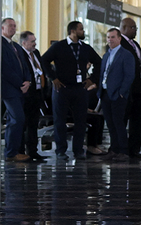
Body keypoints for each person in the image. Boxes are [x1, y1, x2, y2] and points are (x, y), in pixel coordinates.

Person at [43, 21, 102, 159]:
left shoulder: (85, 48)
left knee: (81, 120)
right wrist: (53, 78)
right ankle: (61, 151)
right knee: (60, 120)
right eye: (81, 29)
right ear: (73, 31)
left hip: (80, 88)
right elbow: (44, 60)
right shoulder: (59, 46)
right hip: (62, 88)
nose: (84, 31)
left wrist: (92, 79)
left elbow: (99, 62)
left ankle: (78, 150)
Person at [99, 28, 135, 162]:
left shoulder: (126, 55)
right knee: (110, 124)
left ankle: (123, 151)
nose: (110, 40)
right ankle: (113, 149)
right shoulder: (106, 55)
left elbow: (129, 75)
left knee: (119, 123)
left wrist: (122, 93)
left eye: (113, 37)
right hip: (105, 94)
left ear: (119, 38)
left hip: (117, 95)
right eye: (108, 37)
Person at [0, 18, 31, 162]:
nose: (13, 28)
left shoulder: (17, 46)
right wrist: (20, 84)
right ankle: (11, 153)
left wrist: (28, 81)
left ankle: (12, 152)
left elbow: (25, 65)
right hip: (9, 89)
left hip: (20, 89)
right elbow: (5, 69)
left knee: (16, 119)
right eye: (10, 26)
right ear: (2, 28)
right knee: (17, 119)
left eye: (14, 26)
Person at [120, 17, 141, 159]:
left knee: (138, 122)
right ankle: (122, 149)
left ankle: (134, 150)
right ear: (124, 28)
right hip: (128, 90)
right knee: (123, 120)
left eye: (136, 28)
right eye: (133, 28)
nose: (135, 30)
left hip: (140, 90)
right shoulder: (119, 44)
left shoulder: (135, 45)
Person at [19, 31, 49, 162]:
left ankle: (33, 151)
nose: (35, 43)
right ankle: (20, 152)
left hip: (37, 93)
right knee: (23, 124)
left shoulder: (36, 53)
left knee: (33, 124)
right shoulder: (20, 54)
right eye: (32, 41)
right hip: (26, 94)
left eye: (35, 40)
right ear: (24, 43)